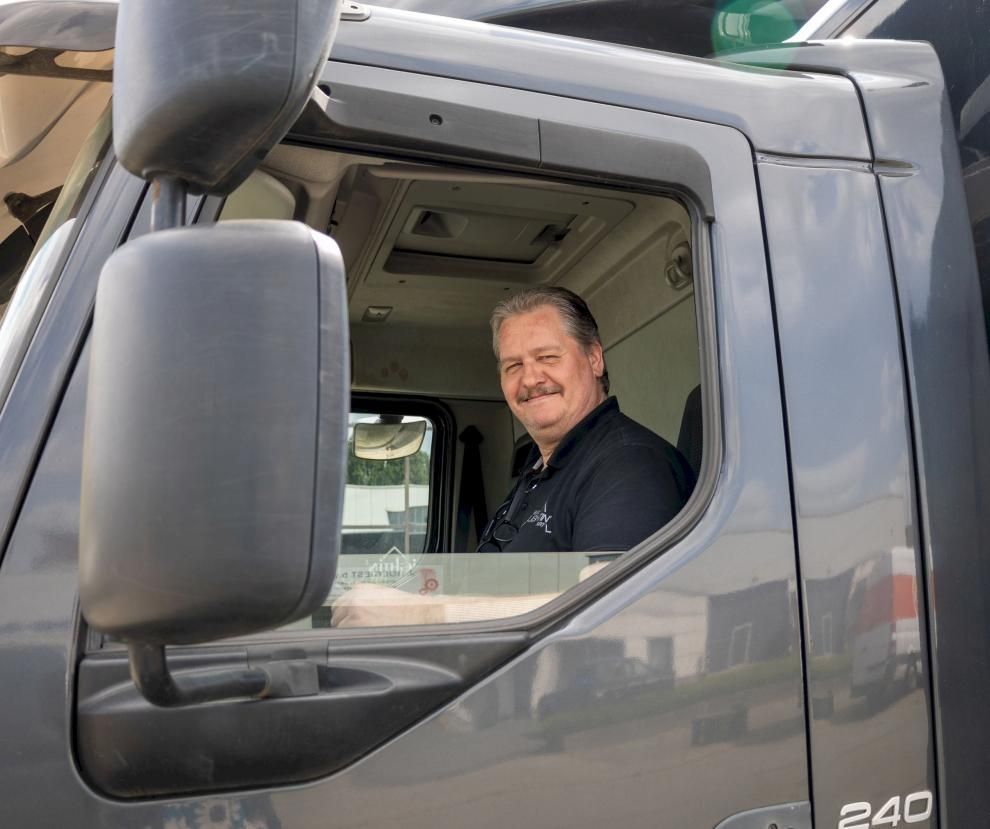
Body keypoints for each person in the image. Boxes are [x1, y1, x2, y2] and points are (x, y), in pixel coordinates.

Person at [332, 287, 694, 627]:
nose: (530, 378)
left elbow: (616, 605)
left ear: (594, 358)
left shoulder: (629, 465)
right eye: (513, 366)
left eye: (547, 357)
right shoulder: (539, 468)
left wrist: (423, 614)